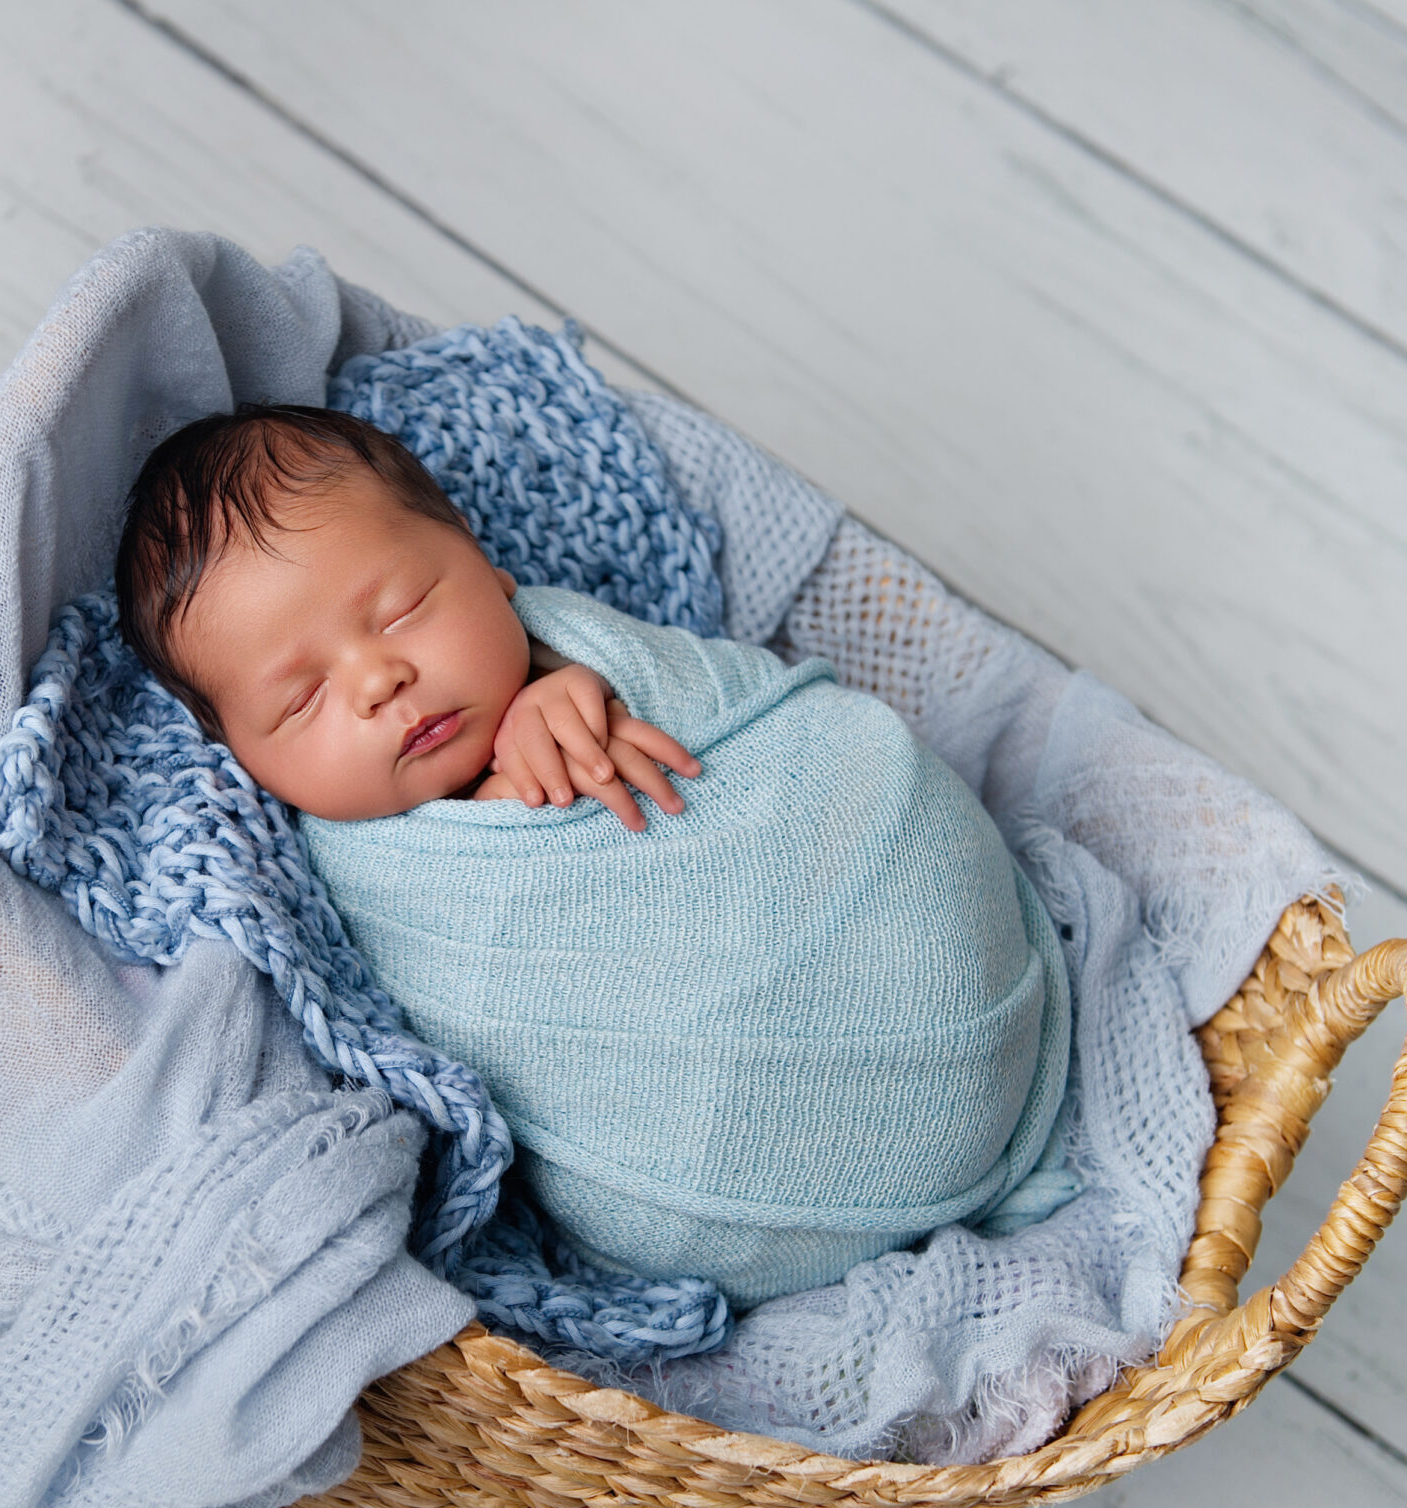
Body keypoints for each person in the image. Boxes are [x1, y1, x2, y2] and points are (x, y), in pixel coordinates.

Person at [116, 403, 1072, 1306]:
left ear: (487, 569)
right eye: (301, 699)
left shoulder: (587, 659)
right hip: (700, 1189)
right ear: (247, 761)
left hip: (934, 961)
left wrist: (585, 685)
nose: (377, 678)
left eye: (403, 609)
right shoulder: (341, 887)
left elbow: (781, 737)